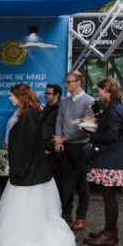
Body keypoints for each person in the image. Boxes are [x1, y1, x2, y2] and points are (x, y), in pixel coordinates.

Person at [0, 83, 76, 246]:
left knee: (26, 205)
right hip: (35, 168)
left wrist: (19, 167)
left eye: (12, 95)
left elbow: (26, 145)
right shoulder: (31, 112)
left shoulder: (28, 115)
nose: (9, 98)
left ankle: (25, 235)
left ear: (20, 97)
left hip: (28, 170)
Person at [82, 78, 123, 246]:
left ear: (108, 91)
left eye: (100, 91)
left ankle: (109, 235)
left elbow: (110, 136)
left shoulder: (113, 110)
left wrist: (90, 132)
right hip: (113, 158)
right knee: (109, 198)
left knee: (109, 199)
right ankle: (110, 232)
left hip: (109, 160)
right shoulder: (120, 107)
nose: (99, 94)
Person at [54, 71, 95, 232]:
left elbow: (87, 128)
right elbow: (59, 120)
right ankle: (66, 213)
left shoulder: (89, 102)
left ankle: (81, 217)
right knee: (65, 181)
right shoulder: (64, 102)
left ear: (78, 82)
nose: (66, 84)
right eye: (65, 82)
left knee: (81, 184)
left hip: (80, 148)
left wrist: (64, 139)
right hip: (65, 146)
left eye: (69, 82)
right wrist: (58, 139)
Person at [41, 83, 70, 224]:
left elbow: (58, 130)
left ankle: (60, 212)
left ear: (56, 95)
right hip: (44, 148)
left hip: (53, 151)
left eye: (48, 93)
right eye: (45, 93)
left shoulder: (60, 108)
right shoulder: (47, 107)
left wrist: (49, 147)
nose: (45, 95)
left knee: (56, 183)